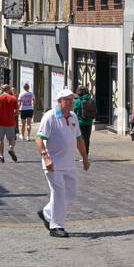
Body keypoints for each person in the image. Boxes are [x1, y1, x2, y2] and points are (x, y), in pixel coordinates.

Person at [35, 88, 90, 238]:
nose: (71, 103)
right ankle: (56, 226)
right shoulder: (50, 116)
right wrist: (46, 157)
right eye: (67, 100)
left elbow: (79, 139)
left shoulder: (72, 117)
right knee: (59, 193)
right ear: (59, 101)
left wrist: (85, 158)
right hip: (53, 164)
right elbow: (39, 139)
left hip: (69, 164)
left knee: (70, 194)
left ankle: (46, 213)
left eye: (72, 100)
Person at [0, 84, 20, 163]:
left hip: (0, 122)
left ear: (2, 89)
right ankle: (11, 148)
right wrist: (12, 115)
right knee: (12, 139)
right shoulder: (13, 98)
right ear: (9, 90)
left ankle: (1, 156)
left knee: (0, 140)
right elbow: (17, 112)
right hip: (10, 122)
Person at [72, 85, 96, 155]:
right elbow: (96, 111)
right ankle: (86, 154)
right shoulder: (92, 100)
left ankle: (83, 155)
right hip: (89, 122)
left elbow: (74, 112)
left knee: (81, 139)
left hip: (80, 122)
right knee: (87, 139)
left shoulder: (78, 101)